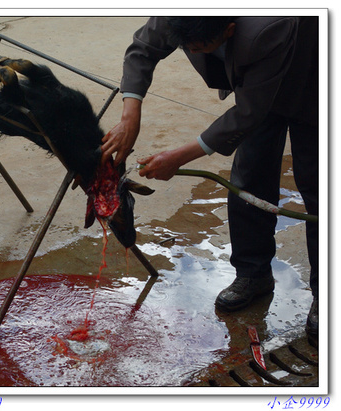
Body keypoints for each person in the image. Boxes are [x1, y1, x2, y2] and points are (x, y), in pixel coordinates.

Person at [101, 16, 319, 336]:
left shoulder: (267, 27)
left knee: (320, 186)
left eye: (198, 47)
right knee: (249, 176)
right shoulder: (181, 13)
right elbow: (143, 48)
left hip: (315, 75)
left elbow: (248, 112)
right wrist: (130, 113)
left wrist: (179, 156)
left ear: (229, 29)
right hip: (256, 78)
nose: (190, 51)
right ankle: (253, 274)